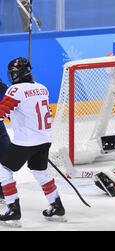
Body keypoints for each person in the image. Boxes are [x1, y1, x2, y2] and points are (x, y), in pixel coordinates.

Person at [0, 57, 66, 227]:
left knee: (3, 170)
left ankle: (13, 209)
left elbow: (2, 112)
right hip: (45, 139)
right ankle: (56, 205)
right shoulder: (42, 88)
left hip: (26, 141)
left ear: (19, 73)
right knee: (40, 171)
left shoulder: (15, 90)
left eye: (13, 73)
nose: (12, 76)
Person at [0, 77, 11, 205]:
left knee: (6, 161)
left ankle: (3, 188)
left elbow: (12, 110)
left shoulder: (4, 89)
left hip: (0, 131)